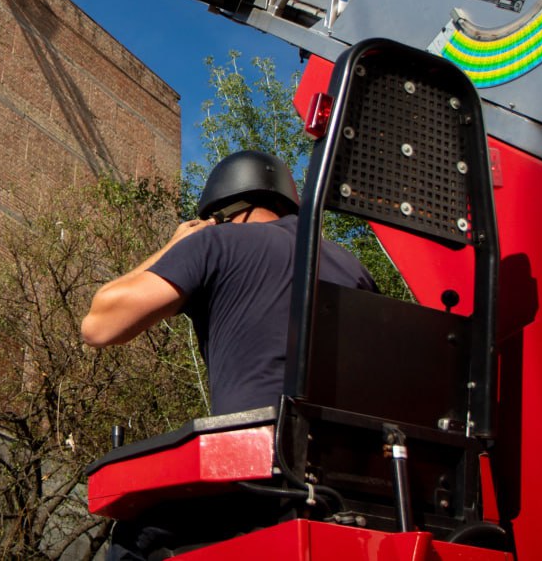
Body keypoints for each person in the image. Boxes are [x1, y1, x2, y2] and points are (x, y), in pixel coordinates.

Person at [81, 150, 375, 559]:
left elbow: (99, 325)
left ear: (225, 211)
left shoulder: (218, 241)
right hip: (351, 480)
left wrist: (176, 245)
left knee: (136, 538)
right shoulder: (352, 266)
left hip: (256, 472)